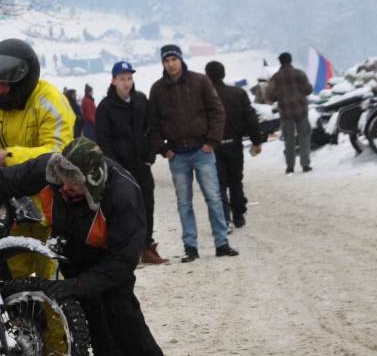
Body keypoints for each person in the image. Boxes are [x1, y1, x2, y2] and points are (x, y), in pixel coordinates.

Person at [0, 138, 167, 356]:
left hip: (111, 254)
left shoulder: (123, 195)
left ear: (92, 180)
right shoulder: (51, 170)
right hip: (73, 242)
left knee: (120, 307)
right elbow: (2, 181)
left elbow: (124, 260)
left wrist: (78, 284)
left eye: (73, 182)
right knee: (88, 308)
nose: (64, 187)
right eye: (62, 180)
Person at [0, 38, 76, 277]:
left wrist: (9, 157)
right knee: (8, 278)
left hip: (50, 208)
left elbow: (59, 153)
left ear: (23, 80)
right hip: (11, 211)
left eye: (5, 83)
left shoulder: (49, 101)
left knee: (52, 278)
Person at [148, 44, 236, 262]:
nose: (171, 64)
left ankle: (222, 243)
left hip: (202, 150)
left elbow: (217, 111)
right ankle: (191, 247)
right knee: (184, 202)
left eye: (173, 59)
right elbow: (153, 123)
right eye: (166, 61)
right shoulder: (157, 89)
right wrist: (164, 149)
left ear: (180, 59)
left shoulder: (200, 81)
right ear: (162, 63)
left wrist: (212, 141)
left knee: (213, 197)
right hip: (177, 153)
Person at [95, 60, 165, 265]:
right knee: (124, 209)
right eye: (122, 79)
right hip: (120, 169)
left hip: (142, 164)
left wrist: (150, 155)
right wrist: (115, 166)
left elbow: (152, 128)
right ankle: (126, 252)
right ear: (113, 81)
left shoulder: (141, 100)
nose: (126, 83)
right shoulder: (105, 107)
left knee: (147, 205)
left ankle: (146, 247)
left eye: (129, 78)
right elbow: (103, 139)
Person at [204, 61, 263, 229]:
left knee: (219, 184)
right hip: (234, 144)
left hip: (212, 146)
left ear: (207, 76)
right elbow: (251, 119)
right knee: (236, 181)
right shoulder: (238, 93)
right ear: (223, 74)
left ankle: (225, 218)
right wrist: (256, 141)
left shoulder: (204, 96)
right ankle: (239, 215)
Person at [266, 51, 314, 174]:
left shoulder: (275, 77)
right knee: (304, 137)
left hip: (285, 112)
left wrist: (280, 95)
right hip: (301, 110)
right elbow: (309, 90)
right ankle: (305, 165)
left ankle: (290, 167)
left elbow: (270, 96)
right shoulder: (300, 73)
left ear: (280, 62)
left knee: (289, 140)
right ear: (290, 60)